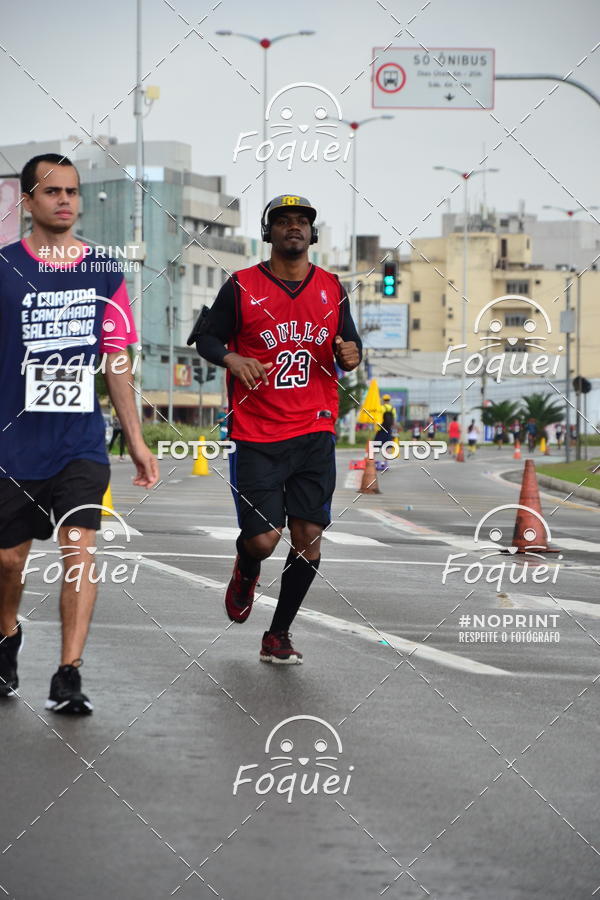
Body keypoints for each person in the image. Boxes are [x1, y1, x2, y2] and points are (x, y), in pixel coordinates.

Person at [0, 154, 158, 714]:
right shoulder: (3, 269)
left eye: (72, 191)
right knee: (8, 562)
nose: (64, 200)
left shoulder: (105, 273)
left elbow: (117, 361)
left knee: (79, 552)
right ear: (28, 202)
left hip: (79, 444)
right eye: (52, 192)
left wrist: (136, 441)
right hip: (12, 445)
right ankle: (7, 637)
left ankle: (68, 674)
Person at [189, 194, 361, 664]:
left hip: (315, 428)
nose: (293, 228)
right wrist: (232, 356)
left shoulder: (331, 286)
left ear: (312, 233)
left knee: (308, 536)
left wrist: (352, 355)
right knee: (264, 540)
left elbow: (351, 342)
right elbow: (204, 337)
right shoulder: (241, 285)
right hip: (257, 431)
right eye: (283, 221)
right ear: (268, 233)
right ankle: (246, 569)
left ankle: (278, 633)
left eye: (301, 221)